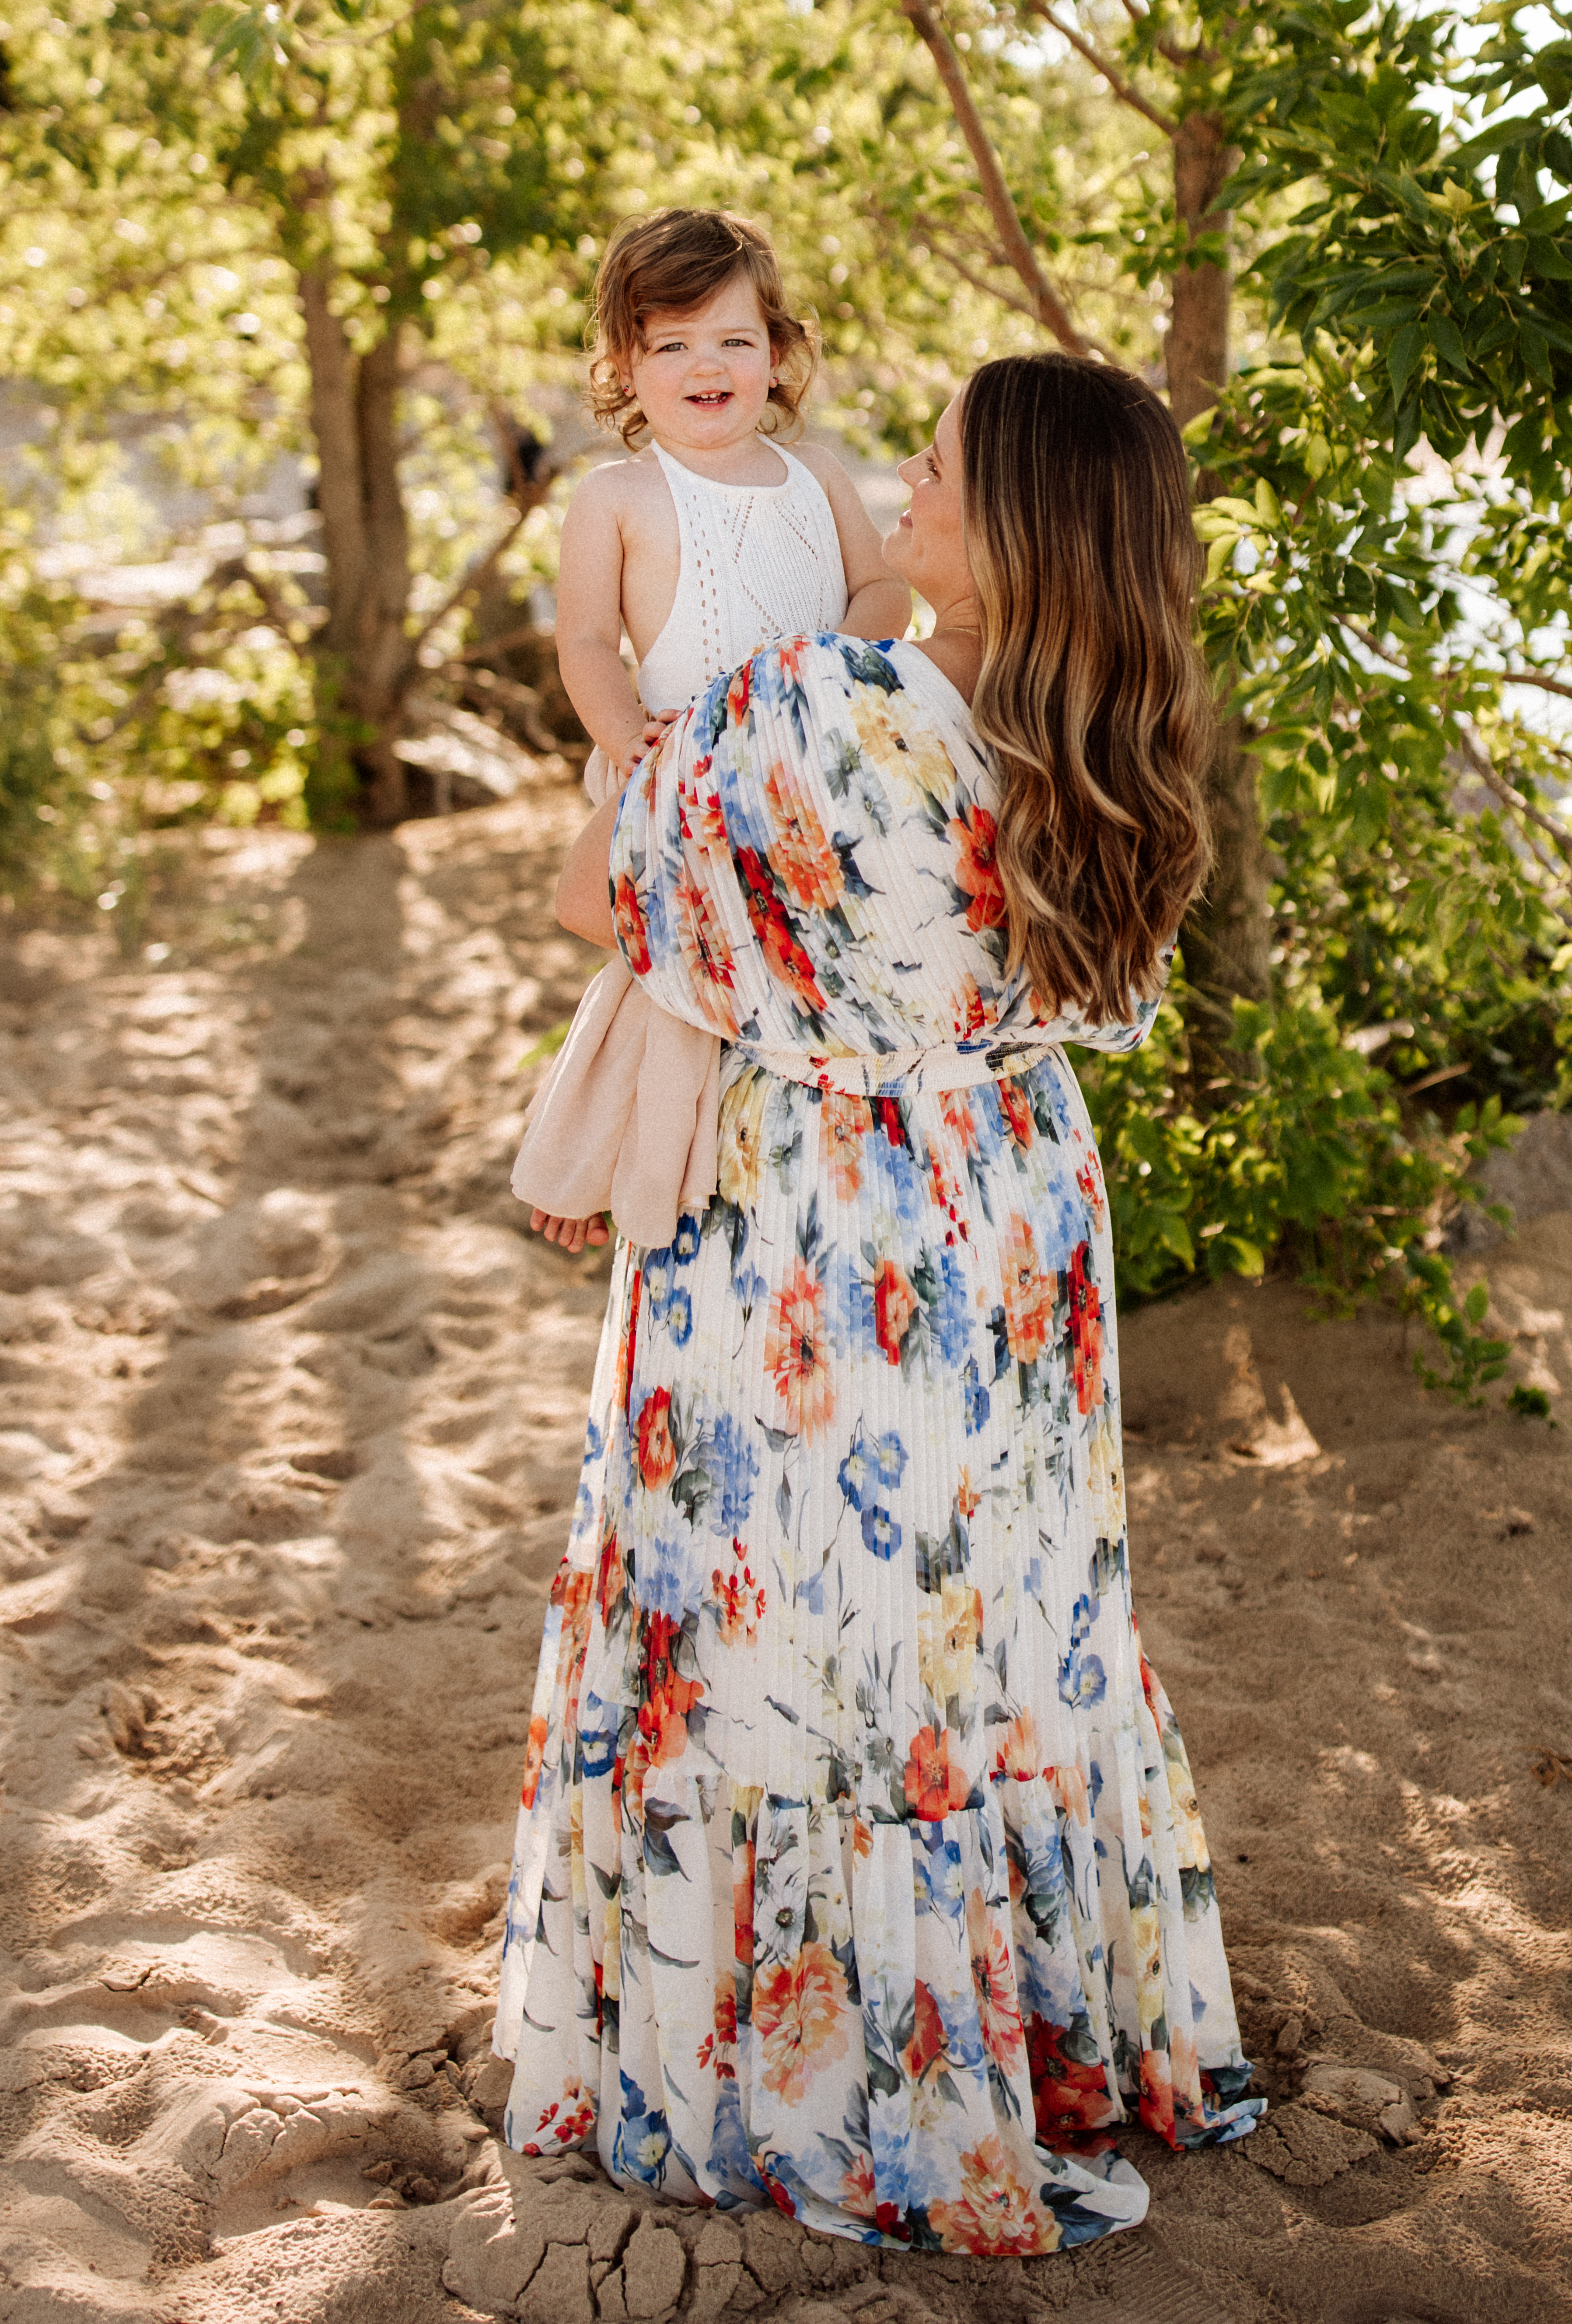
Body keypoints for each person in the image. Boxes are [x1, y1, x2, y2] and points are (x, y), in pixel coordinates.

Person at [494, 356, 1262, 2254]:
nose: (888, 485)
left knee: (784, 1622)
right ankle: (1038, 2019)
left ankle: (795, 2059)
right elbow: (1098, 1000)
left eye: (926, 464)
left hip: (810, 1215)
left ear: (999, 530)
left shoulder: (813, 707)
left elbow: (601, 896)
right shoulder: (1121, 751)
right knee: (989, 1613)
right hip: (1006, 1207)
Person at [516, 207, 910, 1256]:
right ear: (625, 365)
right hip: (682, 760)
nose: (709, 364)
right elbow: (590, 642)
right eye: (673, 343)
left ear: (778, 354)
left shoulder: (816, 472)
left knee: (773, 959)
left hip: (810, 750)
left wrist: (832, 676)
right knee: (666, 975)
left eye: (735, 340)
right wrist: (630, 735)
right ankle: (595, 1163)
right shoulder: (621, 496)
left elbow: (880, 587)